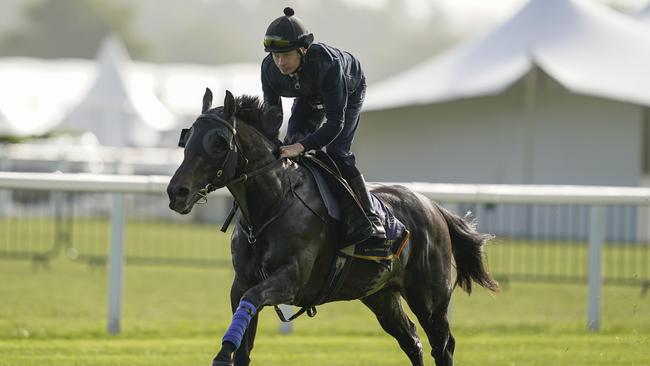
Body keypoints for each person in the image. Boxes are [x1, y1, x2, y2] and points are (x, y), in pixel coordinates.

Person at [261, 7, 385, 244]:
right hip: (308, 94)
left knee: (337, 151)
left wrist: (302, 146)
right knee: (289, 144)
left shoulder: (327, 64)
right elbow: (272, 116)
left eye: (286, 54)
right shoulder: (269, 69)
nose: (280, 62)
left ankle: (368, 217)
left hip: (348, 90)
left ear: (303, 49)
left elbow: (335, 123)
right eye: (275, 55)